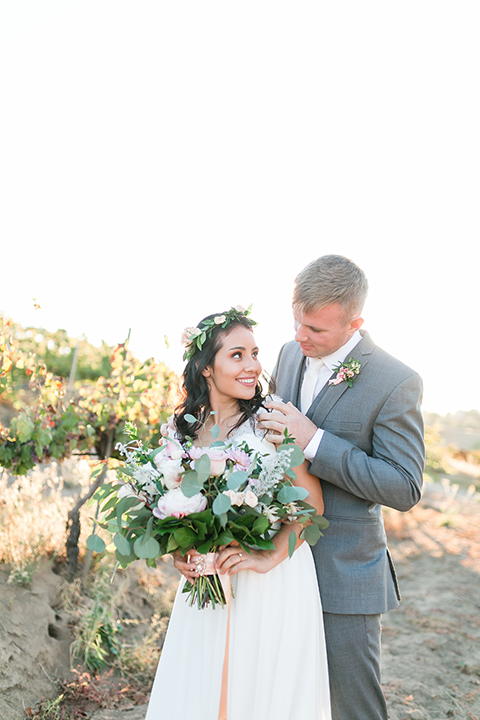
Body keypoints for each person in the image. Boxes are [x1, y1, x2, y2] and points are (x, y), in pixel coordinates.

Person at [257, 254, 425, 720]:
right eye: (296, 322)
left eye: (315, 330)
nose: (299, 337)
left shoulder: (396, 382)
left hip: (345, 572)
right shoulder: (290, 354)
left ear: (356, 323)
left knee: (352, 707)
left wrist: (314, 441)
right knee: (285, 695)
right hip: (278, 558)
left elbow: (404, 486)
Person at [146, 308, 332, 720]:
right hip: (210, 580)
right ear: (206, 368)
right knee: (204, 688)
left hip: (272, 582)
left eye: (255, 353)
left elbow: (311, 507)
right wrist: (179, 552)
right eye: (237, 355)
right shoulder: (182, 431)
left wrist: (266, 558)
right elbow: (172, 509)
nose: (253, 366)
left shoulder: (273, 421)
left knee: (261, 691)